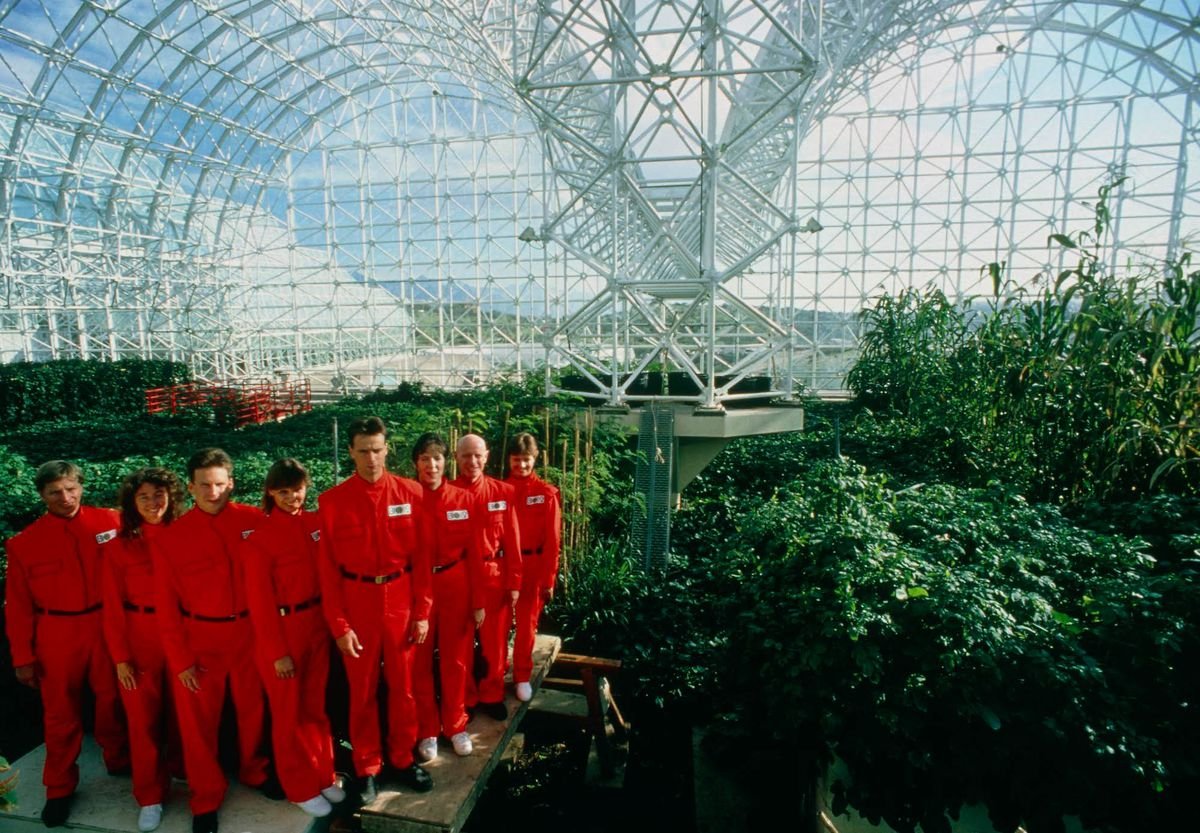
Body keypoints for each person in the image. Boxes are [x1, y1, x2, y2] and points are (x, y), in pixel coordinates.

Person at [153, 448, 273, 833]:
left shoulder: (255, 521)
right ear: (190, 487)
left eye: (220, 483)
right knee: (197, 725)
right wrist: (179, 660)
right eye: (204, 484)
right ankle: (205, 795)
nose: (213, 491)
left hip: (250, 636)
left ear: (232, 483)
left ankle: (254, 771)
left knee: (253, 710)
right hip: (200, 640)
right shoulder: (173, 538)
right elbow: (166, 606)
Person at [4, 460, 129, 828]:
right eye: (55, 492)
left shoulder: (112, 522)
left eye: (71, 488)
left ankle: (118, 757)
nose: (66, 497)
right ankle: (59, 787)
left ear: (81, 486)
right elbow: (19, 607)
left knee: (113, 698)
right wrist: (23, 657)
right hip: (57, 633)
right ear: (42, 495)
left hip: (106, 626)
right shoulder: (24, 543)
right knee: (60, 714)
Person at [318, 416, 434, 802]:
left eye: (377, 450)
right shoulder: (332, 502)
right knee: (362, 691)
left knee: (403, 688)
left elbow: (422, 559)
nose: (371, 458)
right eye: (363, 451)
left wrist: (422, 612)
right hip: (357, 604)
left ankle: (401, 758)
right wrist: (339, 626)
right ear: (351, 451)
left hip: (400, 600)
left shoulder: (410, 493)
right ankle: (367, 766)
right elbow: (328, 572)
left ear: (387, 450)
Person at [242, 458, 344, 818]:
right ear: (270, 492)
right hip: (283, 633)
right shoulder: (260, 539)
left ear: (307, 486)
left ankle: (323, 774)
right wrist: (277, 652)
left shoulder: (315, 524)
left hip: (316, 626)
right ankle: (298, 785)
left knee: (315, 709)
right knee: (288, 716)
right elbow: (259, 604)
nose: (291, 497)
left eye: (297, 489)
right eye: (283, 491)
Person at [101, 467, 185, 832]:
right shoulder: (119, 547)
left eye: (159, 494)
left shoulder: (186, 536)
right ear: (132, 504)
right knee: (143, 720)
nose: (154, 503)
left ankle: (186, 774)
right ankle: (149, 795)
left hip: (184, 635)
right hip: (140, 635)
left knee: (187, 715)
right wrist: (121, 657)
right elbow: (111, 608)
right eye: (144, 497)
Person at [410, 433, 485, 762]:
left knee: (457, 659)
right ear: (416, 464)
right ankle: (427, 729)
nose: (432, 464)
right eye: (425, 458)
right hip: (417, 587)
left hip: (456, 583)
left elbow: (476, 553)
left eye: (437, 458)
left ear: (446, 462)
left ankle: (455, 725)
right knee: (420, 662)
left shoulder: (463, 499)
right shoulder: (407, 498)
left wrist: (478, 600)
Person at [452, 434, 522, 720]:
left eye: (477, 455)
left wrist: (515, 582)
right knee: (461, 643)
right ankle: (466, 696)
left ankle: (492, 693)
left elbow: (513, 541)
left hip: (493, 576)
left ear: (487, 456)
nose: (472, 461)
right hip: (459, 579)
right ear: (456, 458)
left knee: (494, 643)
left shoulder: (502, 492)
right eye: (466, 455)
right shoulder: (448, 493)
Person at [504, 433, 562, 703]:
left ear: (535, 458)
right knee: (500, 622)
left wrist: (549, 578)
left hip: (534, 564)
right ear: (509, 460)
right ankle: (497, 670)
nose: (522, 466)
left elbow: (553, 541)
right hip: (503, 563)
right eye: (517, 460)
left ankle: (522, 676)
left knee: (527, 624)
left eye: (526, 460)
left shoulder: (546, 494)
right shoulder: (498, 490)